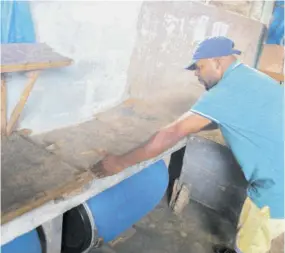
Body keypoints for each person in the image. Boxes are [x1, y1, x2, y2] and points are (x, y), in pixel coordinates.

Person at [92, 36, 284, 253]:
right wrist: (190, 124)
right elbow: (229, 117)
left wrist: (119, 162)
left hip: (277, 190)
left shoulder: (224, 92)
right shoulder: (249, 77)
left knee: (252, 242)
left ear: (217, 62)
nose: (196, 73)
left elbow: (173, 131)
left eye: (199, 67)